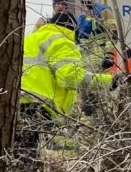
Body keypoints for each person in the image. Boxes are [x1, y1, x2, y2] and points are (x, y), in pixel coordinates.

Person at [19, 13, 113, 148]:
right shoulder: (61, 40)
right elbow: (70, 76)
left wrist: (100, 62)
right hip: (37, 107)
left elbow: (56, 64)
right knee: (39, 158)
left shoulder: (29, 39)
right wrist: (110, 82)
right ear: (73, 29)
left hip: (11, 103)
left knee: (16, 159)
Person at [74, 0, 118, 70]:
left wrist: (109, 55)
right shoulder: (81, 17)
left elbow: (112, 33)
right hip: (86, 62)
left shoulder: (103, 10)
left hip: (101, 59)